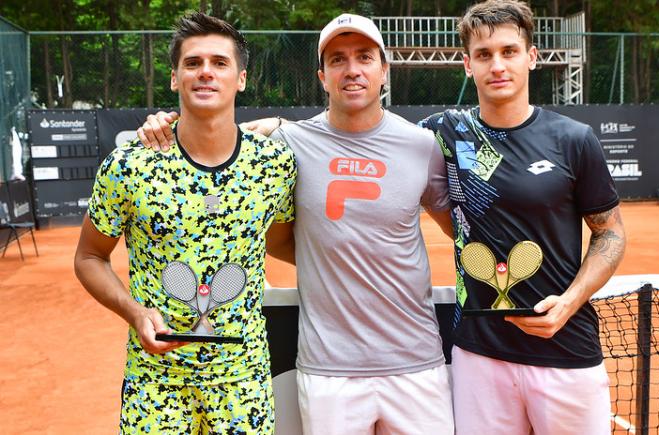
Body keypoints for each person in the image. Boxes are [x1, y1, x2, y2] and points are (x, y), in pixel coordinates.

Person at [137, 13, 454, 435]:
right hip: (328, 372)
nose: (352, 69)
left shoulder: (422, 145)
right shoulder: (285, 145)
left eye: (364, 57)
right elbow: (209, 141)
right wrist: (160, 125)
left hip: (417, 364)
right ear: (322, 76)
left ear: (384, 71)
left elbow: (464, 229)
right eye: (338, 60)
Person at [74, 12, 295, 434]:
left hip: (242, 383)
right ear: (175, 78)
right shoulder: (129, 165)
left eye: (219, 62)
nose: (205, 73)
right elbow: (88, 256)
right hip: (155, 384)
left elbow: (281, 242)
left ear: (241, 78)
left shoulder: (274, 165)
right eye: (192, 63)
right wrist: (136, 314)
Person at [418, 1, 626, 434]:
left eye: (509, 51)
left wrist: (567, 305)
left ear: (531, 57)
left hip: (566, 349)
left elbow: (610, 235)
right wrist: (279, 127)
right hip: (479, 354)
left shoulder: (574, 139)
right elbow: (367, 135)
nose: (497, 65)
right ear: (466, 65)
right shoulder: (444, 131)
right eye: (484, 54)